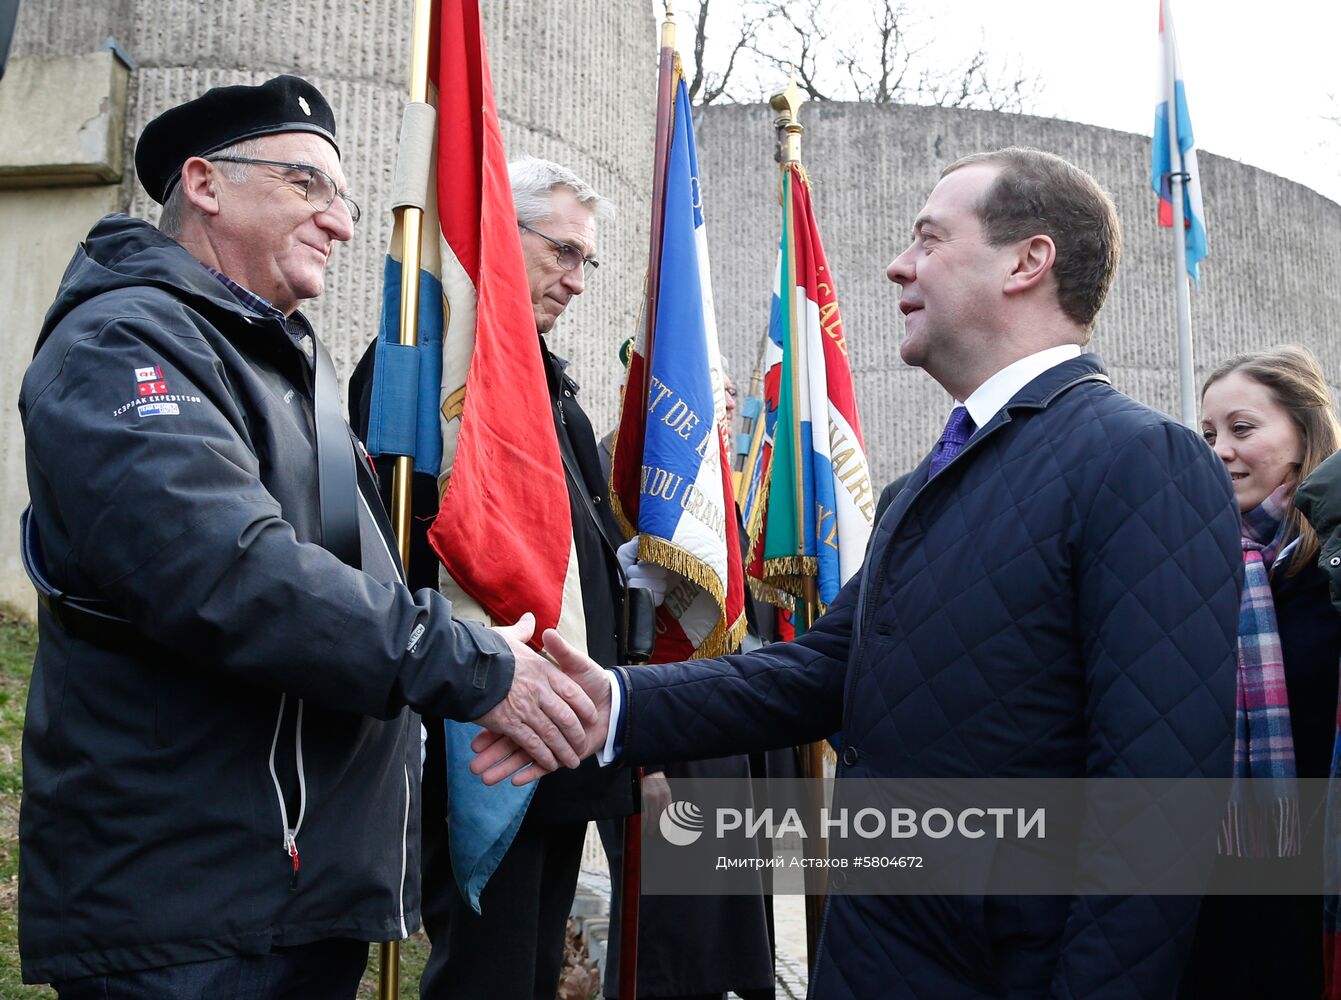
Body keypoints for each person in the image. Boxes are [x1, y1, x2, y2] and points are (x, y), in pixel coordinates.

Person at [479, 147, 1246, 998]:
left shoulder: (1142, 461)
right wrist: (608, 704)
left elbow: (1159, 799)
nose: (896, 264)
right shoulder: (922, 485)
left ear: (1028, 262)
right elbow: (822, 670)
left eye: (928, 238)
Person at [16, 77, 595, 997]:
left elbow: (355, 576)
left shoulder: (288, 364)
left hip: (297, 894)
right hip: (189, 908)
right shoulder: (122, 346)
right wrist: (472, 666)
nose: (342, 223)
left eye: (345, 198)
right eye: (306, 186)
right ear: (205, 183)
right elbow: (229, 573)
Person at [411, 156, 638, 1000]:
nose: (578, 281)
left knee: (533, 971)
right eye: (563, 254)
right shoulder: (428, 372)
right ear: (504, 244)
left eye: (588, 260)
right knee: (488, 976)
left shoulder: (555, 389)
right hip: (485, 736)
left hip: (563, 741)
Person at [597, 369, 777, 1000]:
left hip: (717, 727)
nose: (725, 401)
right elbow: (620, 625)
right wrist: (645, 765)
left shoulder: (710, 479)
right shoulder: (625, 477)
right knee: (664, 938)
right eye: (712, 387)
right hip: (660, 740)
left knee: (716, 928)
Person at [1179, 346, 1341, 999]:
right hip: (1219, 884)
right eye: (1208, 434)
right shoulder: (1191, 568)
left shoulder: (1331, 570)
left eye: (1242, 430)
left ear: (1304, 435)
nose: (1218, 450)